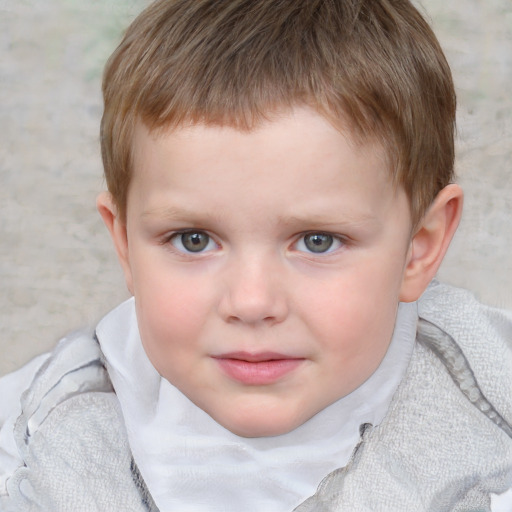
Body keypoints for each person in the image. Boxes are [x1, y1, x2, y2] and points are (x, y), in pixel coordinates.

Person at [0, 0, 511, 510]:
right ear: (126, 246)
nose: (250, 301)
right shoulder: (39, 433)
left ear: (418, 248)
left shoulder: (492, 422)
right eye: (193, 239)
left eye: (317, 241)